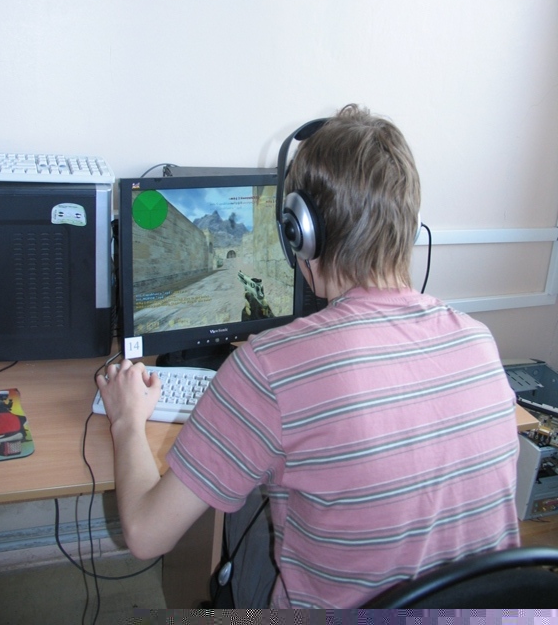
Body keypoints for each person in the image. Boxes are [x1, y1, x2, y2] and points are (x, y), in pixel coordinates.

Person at [97, 104, 519, 609]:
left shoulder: (271, 367)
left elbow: (146, 534)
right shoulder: (478, 341)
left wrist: (126, 419)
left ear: (298, 231)